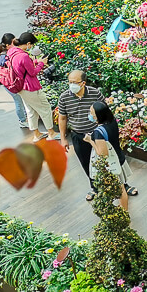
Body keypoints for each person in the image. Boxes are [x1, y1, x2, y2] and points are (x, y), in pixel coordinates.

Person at [58, 70, 105, 201]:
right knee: (86, 163)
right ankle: (95, 188)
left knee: (106, 160)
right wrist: (63, 139)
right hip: (79, 136)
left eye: (74, 82)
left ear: (83, 83)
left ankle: (120, 185)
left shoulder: (94, 93)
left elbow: (105, 111)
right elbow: (62, 119)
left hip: (97, 134)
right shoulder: (64, 97)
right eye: (69, 82)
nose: (71, 85)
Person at [6, 32, 58, 142]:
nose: (31, 47)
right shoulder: (24, 56)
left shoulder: (12, 52)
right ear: (28, 43)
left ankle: (36, 134)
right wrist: (41, 63)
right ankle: (51, 133)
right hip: (30, 87)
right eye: (32, 45)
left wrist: (35, 61)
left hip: (20, 87)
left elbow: (22, 65)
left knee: (31, 110)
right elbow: (33, 72)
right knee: (45, 108)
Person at [84, 101, 134, 211]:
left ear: (98, 116)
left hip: (110, 165)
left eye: (92, 112)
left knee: (118, 190)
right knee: (121, 188)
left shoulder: (98, 132)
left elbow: (102, 153)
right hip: (118, 158)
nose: (90, 114)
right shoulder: (112, 122)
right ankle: (124, 210)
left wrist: (90, 141)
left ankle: (123, 212)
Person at [0, 33, 29, 128]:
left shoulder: (7, 54)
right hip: (10, 83)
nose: (16, 43)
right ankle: (23, 120)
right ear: (8, 45)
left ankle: (25, 118)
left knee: (20, 100)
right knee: (18, 101)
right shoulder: (5, 56)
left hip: (10, 82)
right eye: (14, 42)